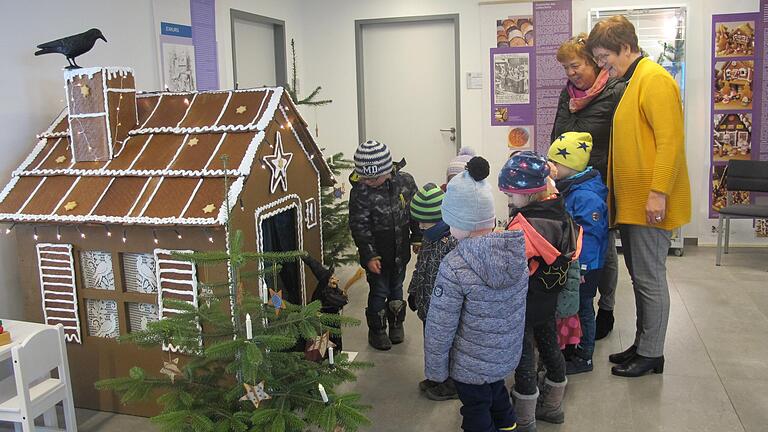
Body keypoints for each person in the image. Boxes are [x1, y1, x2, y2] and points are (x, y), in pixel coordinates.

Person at [587, 15, 691, 377]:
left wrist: (658, 192)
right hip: (634, 203)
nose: (602, 65)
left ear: (626, 48)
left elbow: (670, 143)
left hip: (650, 202)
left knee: (649, 278)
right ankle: (643, 344)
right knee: (640, 277)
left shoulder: (655, 80)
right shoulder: (634, 80)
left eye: (604, 56)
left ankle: (652, 353)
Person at [425, 156, 528, 432]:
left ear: (459, 223)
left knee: (476, 410)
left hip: (470, 364)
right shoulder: (516, 253)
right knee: (498, 398)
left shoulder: (455, 266)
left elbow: (440, 324)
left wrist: (436, 370)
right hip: (504, 356)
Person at [551, 33, 626, 340]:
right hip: (569, 183)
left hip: (600, 183)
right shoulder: (565, 95)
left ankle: (604, 307)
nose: (571, 73)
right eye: (566, 68)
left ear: (594, 62)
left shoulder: (615, 91)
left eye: (575, 65)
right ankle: (578, 306)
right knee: (573, 246)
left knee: (602, 247)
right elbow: (557, 135)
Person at [499, 151, 581, 432]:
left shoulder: (524, 227)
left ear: (529, 193)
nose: (509, 201)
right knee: (549, 346)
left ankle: (524, 418)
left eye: (512, 195)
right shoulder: (561, 214)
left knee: (524, 357)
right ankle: (553, 406)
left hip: (524, 302)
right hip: (549, 298)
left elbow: (508, 266)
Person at [547, 132, 609, 374]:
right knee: (572, 306)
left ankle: (585, 356)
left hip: (586, 265)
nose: (550, 166)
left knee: (583, 307)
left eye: (555, 162)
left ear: (570, 166)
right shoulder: (571, 187)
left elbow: (592, 237)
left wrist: (580, 265)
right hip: (576, 262)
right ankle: (572, 348)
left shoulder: (585, 196)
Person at [349, 140, 419, 351]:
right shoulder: (360, 191)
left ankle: (396, 324)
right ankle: (377, 330)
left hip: (400, 250)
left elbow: (415, 212)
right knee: (379, 291)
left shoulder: (405, 182)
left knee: (397, 288)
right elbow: (359, 226)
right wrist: (369, 255)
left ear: (388, 170)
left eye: (374, 177)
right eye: (365, 177)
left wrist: (417, 237)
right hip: (377, 254)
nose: (369, 182)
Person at [407, 182, 459, 401]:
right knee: (432, 344)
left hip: (445, 307)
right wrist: (413, 291)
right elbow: (421, 267)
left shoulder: (451, 241)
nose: (420, 226)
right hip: (428, 304)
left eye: (424, 221)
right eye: (418, 220)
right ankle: (436, 376)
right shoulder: (429, 239)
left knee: (447, 345)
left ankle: (451, 383)